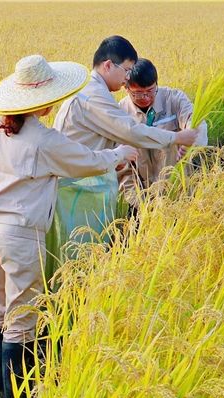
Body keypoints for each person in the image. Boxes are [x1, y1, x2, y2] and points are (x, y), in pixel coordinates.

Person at [0, 54, 137, 398]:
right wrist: (120, 153)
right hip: (19, 236)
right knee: (21, 320)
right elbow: (88, 161)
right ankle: (20, 394)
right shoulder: (43, 140)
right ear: (43, 103)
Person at [51, 36, 198, 254]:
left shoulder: (170, 97)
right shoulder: (97, 97)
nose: (126, 78)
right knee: (80, 251)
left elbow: (194, 120)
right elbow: (130, 133)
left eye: (150, 91)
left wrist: (189, 135)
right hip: (78, 189)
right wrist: (176, 138)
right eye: (127, 71)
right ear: (109, 65)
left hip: (165, 191)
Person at [118, 58, 208, 213]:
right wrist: (138, 203)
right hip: (147, 199)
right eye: (138, 93)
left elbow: (197, 125)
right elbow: (122, 168)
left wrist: (191, 143)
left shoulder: (174, 99)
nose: (145, 97)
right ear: (126, 88)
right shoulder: (120, 113)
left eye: (150, 91)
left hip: (181, 192)